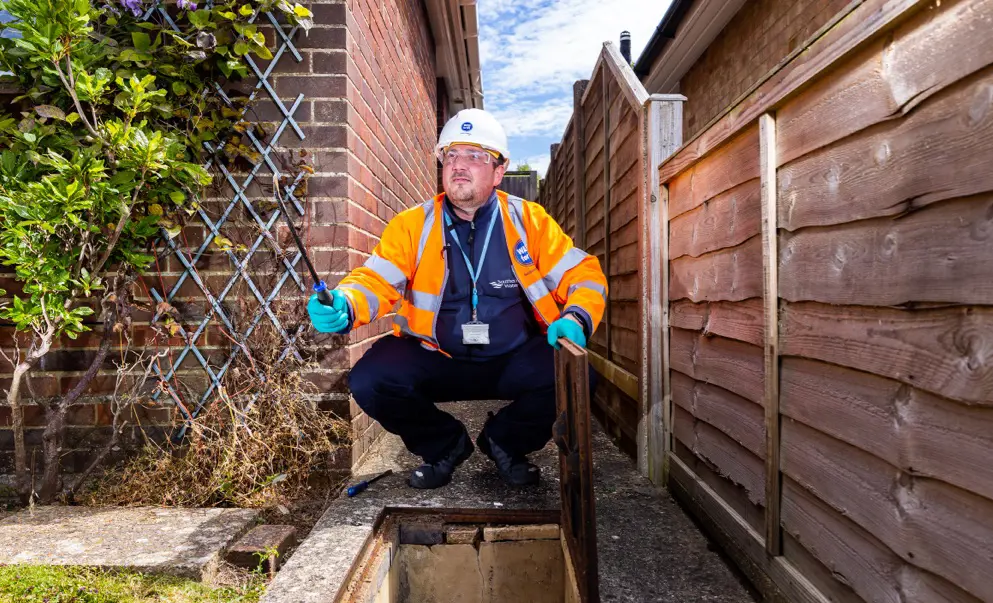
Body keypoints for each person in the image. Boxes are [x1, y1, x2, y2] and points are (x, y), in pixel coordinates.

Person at [306, 108, 607, 489]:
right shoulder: (413, 225)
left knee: (577, 376)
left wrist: (578, 316)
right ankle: (445, 446)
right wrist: (346, 303)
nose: (459, 165)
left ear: (499, 172)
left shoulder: (530, 221)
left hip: (511, 359)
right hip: (437, 356)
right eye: (451, 156)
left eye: (475, 156)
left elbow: (583, 274)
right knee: (371, 378)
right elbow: (375, 280)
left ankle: (505, 442)